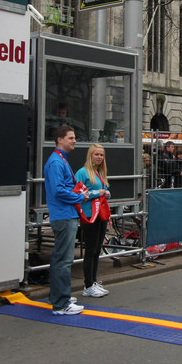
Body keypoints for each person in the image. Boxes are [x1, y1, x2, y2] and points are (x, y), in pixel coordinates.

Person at [44, 125, 89, 316]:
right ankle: (61, 303)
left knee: (61, 258)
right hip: (64, 215)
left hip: (65, 213)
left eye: (74, 137)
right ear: (59, 140)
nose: (74, 141)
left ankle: (58, 297)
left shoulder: (59, 160)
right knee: (64, 260)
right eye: (71, 138)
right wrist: (80, 197)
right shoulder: (56, 162)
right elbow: (58, 191)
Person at [74, 143, 112, 299]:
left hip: (101, 215)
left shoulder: (100, 172)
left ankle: (93, 282)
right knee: (90, 250)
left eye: (101, 155)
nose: (99, 157)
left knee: (97, 250)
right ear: (90, 155)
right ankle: (88, 284)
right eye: (96, 154)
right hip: (90, 216)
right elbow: (78, 193)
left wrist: (106, 193)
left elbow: (103, 191)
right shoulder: (82, 172)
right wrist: (98, 192)